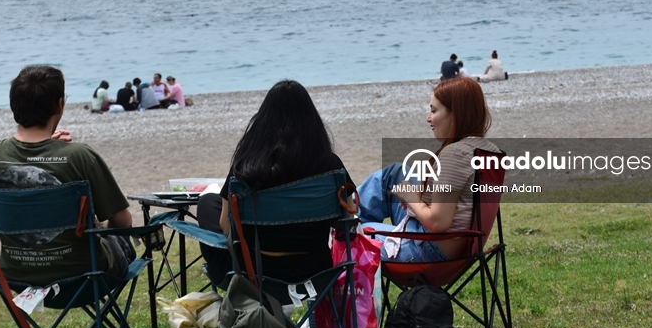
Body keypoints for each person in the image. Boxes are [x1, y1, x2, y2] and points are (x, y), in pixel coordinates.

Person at [0, 65, 134, 284]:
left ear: (13, 106)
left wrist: (41, 156)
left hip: (17, 277)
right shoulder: (80, 156)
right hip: (85, 277)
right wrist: (99, 225)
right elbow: (123, 222)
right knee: (120, 240)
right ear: (59, 105)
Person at [196, 80, 352, 286]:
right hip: (316, 272)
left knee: (208, 201)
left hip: (253, 271)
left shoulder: (247, 166)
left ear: (263, 122)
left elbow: (226, 226)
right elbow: (348, 216)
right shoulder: (331, 166)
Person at [357, 76, 501, 263]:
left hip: (428, 249)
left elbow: (438, 222)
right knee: (393, 173)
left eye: (434, 110)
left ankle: (339, 220)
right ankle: (348, 215)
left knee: (349, 234)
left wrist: (411, 198)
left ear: (455, 114)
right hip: (459, 247)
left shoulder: (455, 154)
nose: (428, 118)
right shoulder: (489, 150)